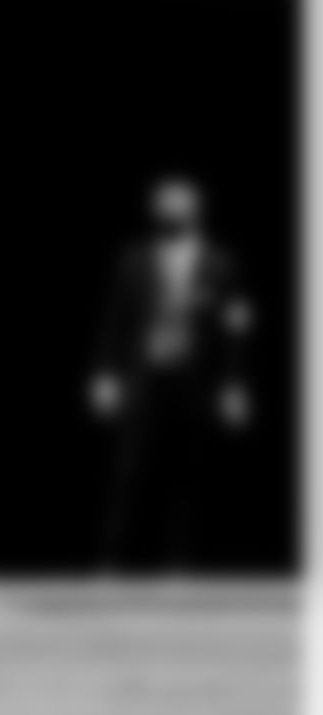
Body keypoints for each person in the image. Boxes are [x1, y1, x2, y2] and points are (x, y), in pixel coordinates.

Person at [89, 174, 252, 574]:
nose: (168, 209)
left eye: (177, 202)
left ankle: (179, 573)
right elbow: (115, 319)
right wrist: (106, 374)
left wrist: (234, 384)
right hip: (145, 376)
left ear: (196, 209)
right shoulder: (132, 259)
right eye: (162, 202)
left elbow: (235, 325)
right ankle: (112, 566)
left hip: (195, 378)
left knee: (188, 475)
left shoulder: (221, 262)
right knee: (130, 472)